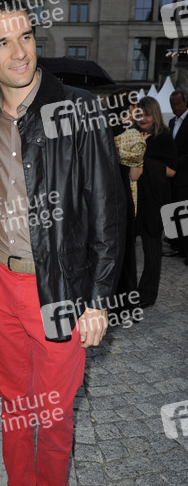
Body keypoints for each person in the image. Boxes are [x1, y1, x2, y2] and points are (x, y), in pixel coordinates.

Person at [0, 0, 125, 486]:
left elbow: (108, 209)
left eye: (26, 37)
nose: (19, 52)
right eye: (2, 42)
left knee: (54, 407)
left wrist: (99, 298)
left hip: (59, 285)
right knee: (13, 401)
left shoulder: (78, 110)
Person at [135, 96, 177, 307]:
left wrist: (143, 157)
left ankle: (147, 294)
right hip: (133, 199)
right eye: (140, 114)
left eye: (148, 114)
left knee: (152, 250)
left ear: (156, 115)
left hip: (154, 201)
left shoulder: (164, 137)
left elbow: (172, 171)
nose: (143, 118)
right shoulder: (132, 134)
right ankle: (129, 292)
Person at [109, 91, 146, 319]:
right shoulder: (132, 136)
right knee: (125, 252)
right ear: (129, 108)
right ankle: (125, 306)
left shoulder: (102, 130)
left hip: (104, 200)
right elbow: (135, 175)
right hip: (124, 197)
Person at [167, 89, 188, 264]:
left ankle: (186, 249)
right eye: (172, 104)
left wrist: (174, 163)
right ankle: (176, 245)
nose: (175, 107)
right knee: (172, 209)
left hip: (185, 174)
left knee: (184, 212)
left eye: (178, 103)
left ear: (186, 102)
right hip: (172, 175)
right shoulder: (171, 121)